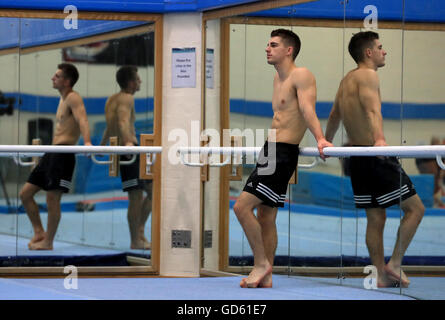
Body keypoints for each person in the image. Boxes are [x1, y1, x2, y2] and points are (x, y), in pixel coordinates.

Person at [233, 29, 332, 288]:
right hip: (271, 150)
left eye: (273, 44)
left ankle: (261, 263)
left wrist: (320, 138)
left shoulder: (302, 75)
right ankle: (267, 275)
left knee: (241, 207)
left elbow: (307, 109)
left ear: (289, 50)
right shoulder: (278, 79)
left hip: (282, 153)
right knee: (266, 215)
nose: (267, 48)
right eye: (267, 44)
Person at [325, 31, 425, 287]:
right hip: (374, 154)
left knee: (375, 218)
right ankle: (394, 263)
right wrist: (380, 139)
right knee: (415, 209)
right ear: (368, 52)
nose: (384, 51)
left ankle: (380, 275)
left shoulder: (347, 79)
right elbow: (372, 110)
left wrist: (325, 141)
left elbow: (335, 113)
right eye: (380, 47)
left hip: (356, 157)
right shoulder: (368, 75)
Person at [20, 63, 92, 250]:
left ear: (67, 81)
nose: (53, 78)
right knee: (25, 194)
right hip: (51, 153)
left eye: (57, 76)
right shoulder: (62, 99)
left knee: (52, 199)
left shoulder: (73, 98)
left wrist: (87, 142)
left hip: (63, 154)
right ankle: (39, 232)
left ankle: (48, 242)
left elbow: (83, 118)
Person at [100, 65, 152, 250]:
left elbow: (109, 126)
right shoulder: (127, 98)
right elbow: (122, 121)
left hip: (122, 148)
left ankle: (139, 231)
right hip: (128, 149)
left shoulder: (111, 99)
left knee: (152, 191)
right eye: (138, 79)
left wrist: (102, 145)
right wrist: (130, 143)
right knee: (136, 197)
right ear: (131, 82)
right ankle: (136, 239)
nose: (140, 82)